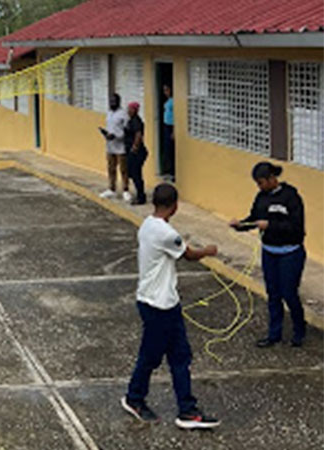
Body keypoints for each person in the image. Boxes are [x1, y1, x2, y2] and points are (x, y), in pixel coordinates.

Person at [122, 183, 221, 430]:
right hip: (159, 306)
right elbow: (189, 255)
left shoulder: (147, 224)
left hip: (161, 302)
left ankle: (187, 410)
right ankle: (134, 398)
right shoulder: (168, 234)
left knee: (180, 356)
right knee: (151, 356)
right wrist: (208, 251)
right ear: (174, 206)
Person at [230, 162, 306, 348]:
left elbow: (296, 228)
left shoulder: (291, 196)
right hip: (269, 252)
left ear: (272, 179)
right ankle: (274, 334)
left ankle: (299, 331)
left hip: (290, 253)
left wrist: (270, 225)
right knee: (273, 294)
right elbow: (254, 219)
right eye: (257, 183)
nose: (260, 187)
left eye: (262, 182)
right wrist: (240, 225)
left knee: (289, 293)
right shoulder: (261, 198)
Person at [100, 93, 130, 201]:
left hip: (121, 146)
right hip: (110, 146)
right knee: (111, 168)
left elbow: (127, 131)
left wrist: (117, 136)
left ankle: (126, 190)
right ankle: (111, 189)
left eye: (114, 101)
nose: (112, 103)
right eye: (110, 101)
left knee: (124, 169)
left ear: (118, 102)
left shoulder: (123, 114)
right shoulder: (109, 113)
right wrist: (106, 134)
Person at [124, 102, 148, 205]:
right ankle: (140, 194)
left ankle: (141, 197)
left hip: (137, 152)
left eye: (131, 109)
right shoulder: (130, 121)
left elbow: (138, 135)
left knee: (136, 174)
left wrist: (134, 147)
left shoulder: (137, 122)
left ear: (136, 110)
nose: (128, 111)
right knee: (132, 173)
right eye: (128, 109)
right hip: (132, 151)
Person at [161, 85, 175, 180]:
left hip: (171, 126)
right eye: (164, 90)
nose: (165, 92)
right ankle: (168, 170)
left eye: (167, 90)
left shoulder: (173, 101)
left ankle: (173, 172)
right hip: (166, 125)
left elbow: (175, 116)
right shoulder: (168, 100)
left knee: (171, 149)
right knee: (166, 149)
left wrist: (174, 131)